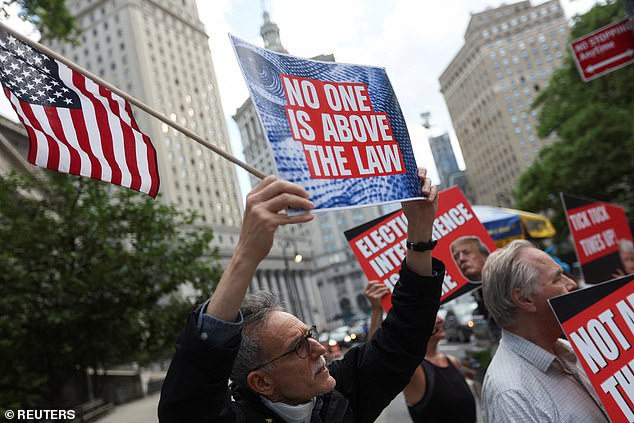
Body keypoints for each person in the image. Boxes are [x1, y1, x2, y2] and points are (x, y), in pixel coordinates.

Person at [158, 168, 444, 423]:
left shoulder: (340, 395)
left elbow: (404, 337)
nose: (319, 349)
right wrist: (245, 255)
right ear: (262, 382)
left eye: (310, 335)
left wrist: (420, 230)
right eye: (299, 347)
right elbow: (187, 407)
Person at [481, 240, 609, 422]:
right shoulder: (511, 395)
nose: (571, 283)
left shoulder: (566, 348)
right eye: (557, 279)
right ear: (524, 299)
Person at [365, 282, 476, 423]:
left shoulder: (452, 361)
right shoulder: (415, 371)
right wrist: (377, 309)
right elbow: (377, 359)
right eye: (432, 314)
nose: (441, 319)